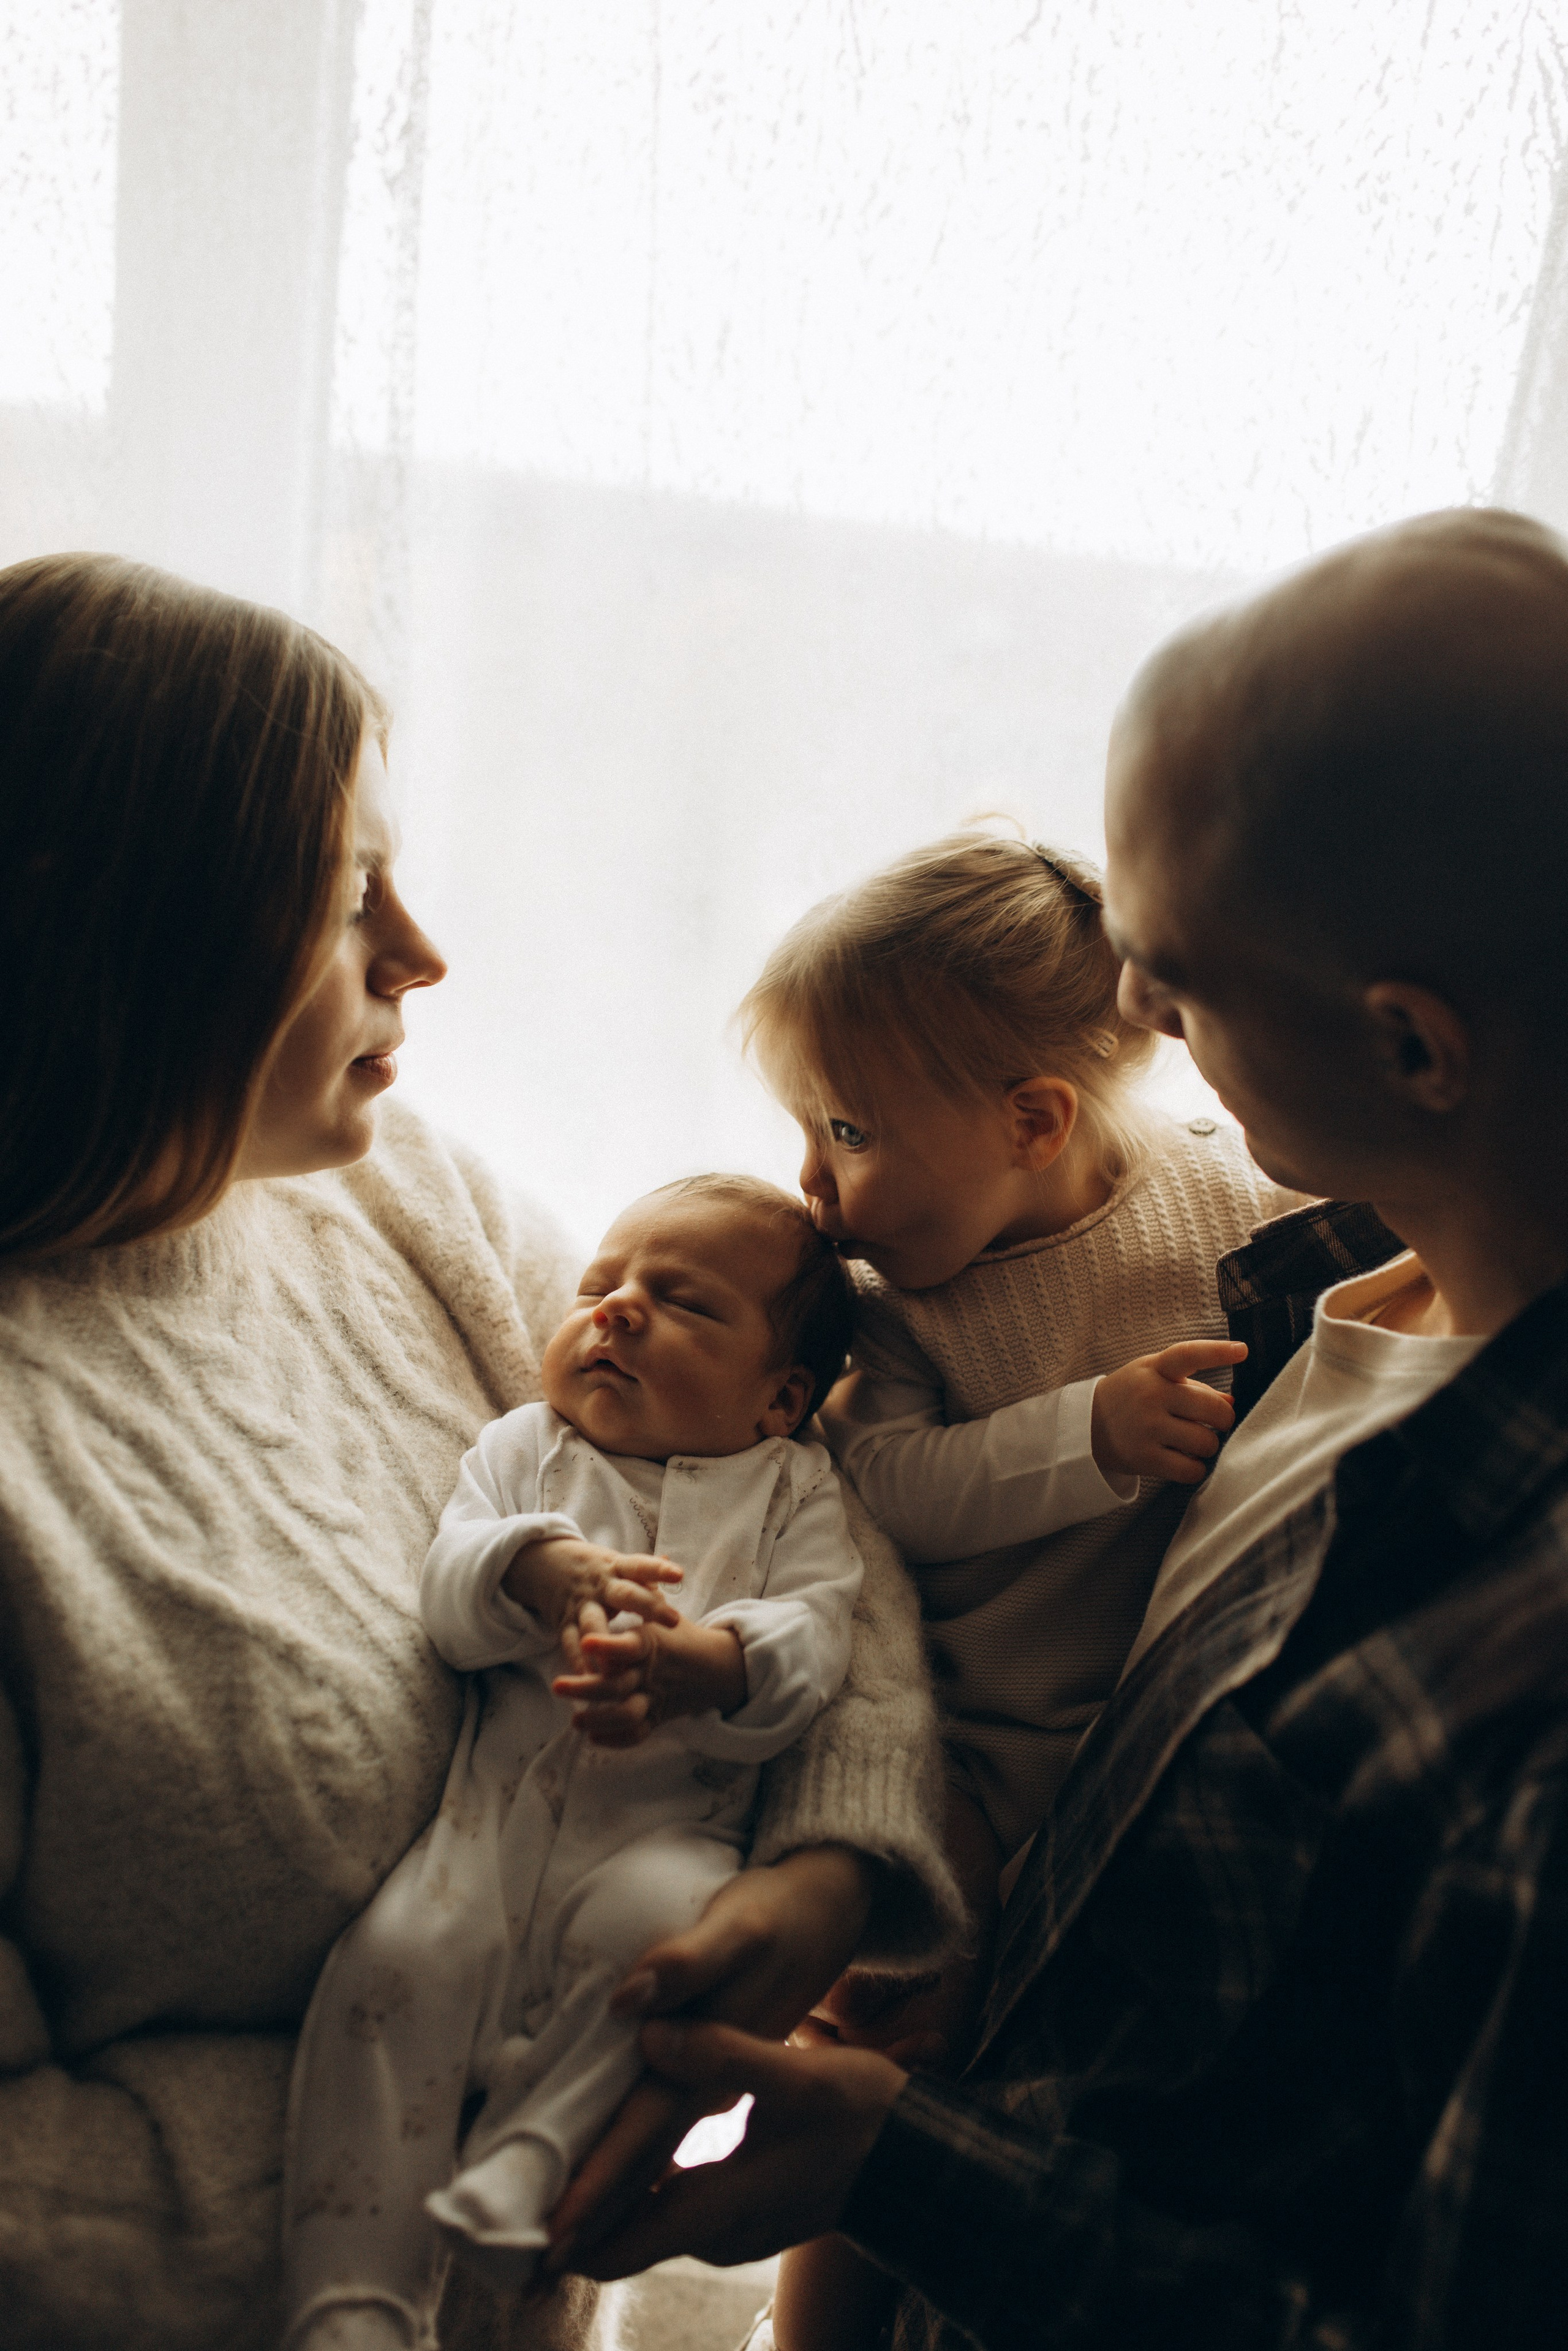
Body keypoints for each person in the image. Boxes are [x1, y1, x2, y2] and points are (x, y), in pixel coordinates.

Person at [551, 508, 1568, 2350]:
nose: (1127, 1016)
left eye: (1171, 967)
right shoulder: (1324, 1292)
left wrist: (903, 2160)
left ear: (1414, 1048)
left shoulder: (1528, 1695)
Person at [0, 553, 962, 2351]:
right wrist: (423, 2170)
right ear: (125, 918)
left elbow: (790, 1499)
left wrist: (831, 1869)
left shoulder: (400, 1191)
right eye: (348, 886)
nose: (422, 951)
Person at [738, 834, 1297, 2346]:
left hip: (1137, 1739)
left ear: (1033, 1118)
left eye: (844, 1129)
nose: (811, 1182)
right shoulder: (897, 1308)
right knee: (894, 2047)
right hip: (970, 1743)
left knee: (1026, 2095)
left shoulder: (1225, 1201)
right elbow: (884, 1487)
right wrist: (1087, 1435)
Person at [284, 1177, 863, 2349]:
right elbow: (449, 1592)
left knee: (657, 1953)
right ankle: (353, 2290)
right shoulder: (528, 1449)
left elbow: (821, 1635)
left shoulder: (795, 1489)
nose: (617, 1311)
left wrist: (717, 1659)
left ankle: (531, 2155)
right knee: (390, 1969)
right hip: (482, 1830)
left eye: (682, 1302)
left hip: (667, 1837)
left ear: (780, 1397)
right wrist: (529, 1569)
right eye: (600, 1286)